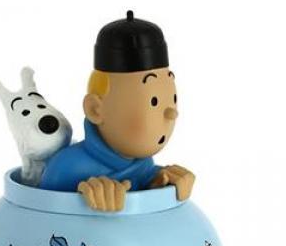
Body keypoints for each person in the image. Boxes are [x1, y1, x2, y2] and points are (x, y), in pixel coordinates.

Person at [39, 11, 195, 211]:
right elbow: (42, 215)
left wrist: (161, 185)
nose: (171, 113)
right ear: (95, 110)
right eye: (153, 102)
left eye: (172, 99)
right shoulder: (65, 168)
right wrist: (83, 197)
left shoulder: (144, 165)